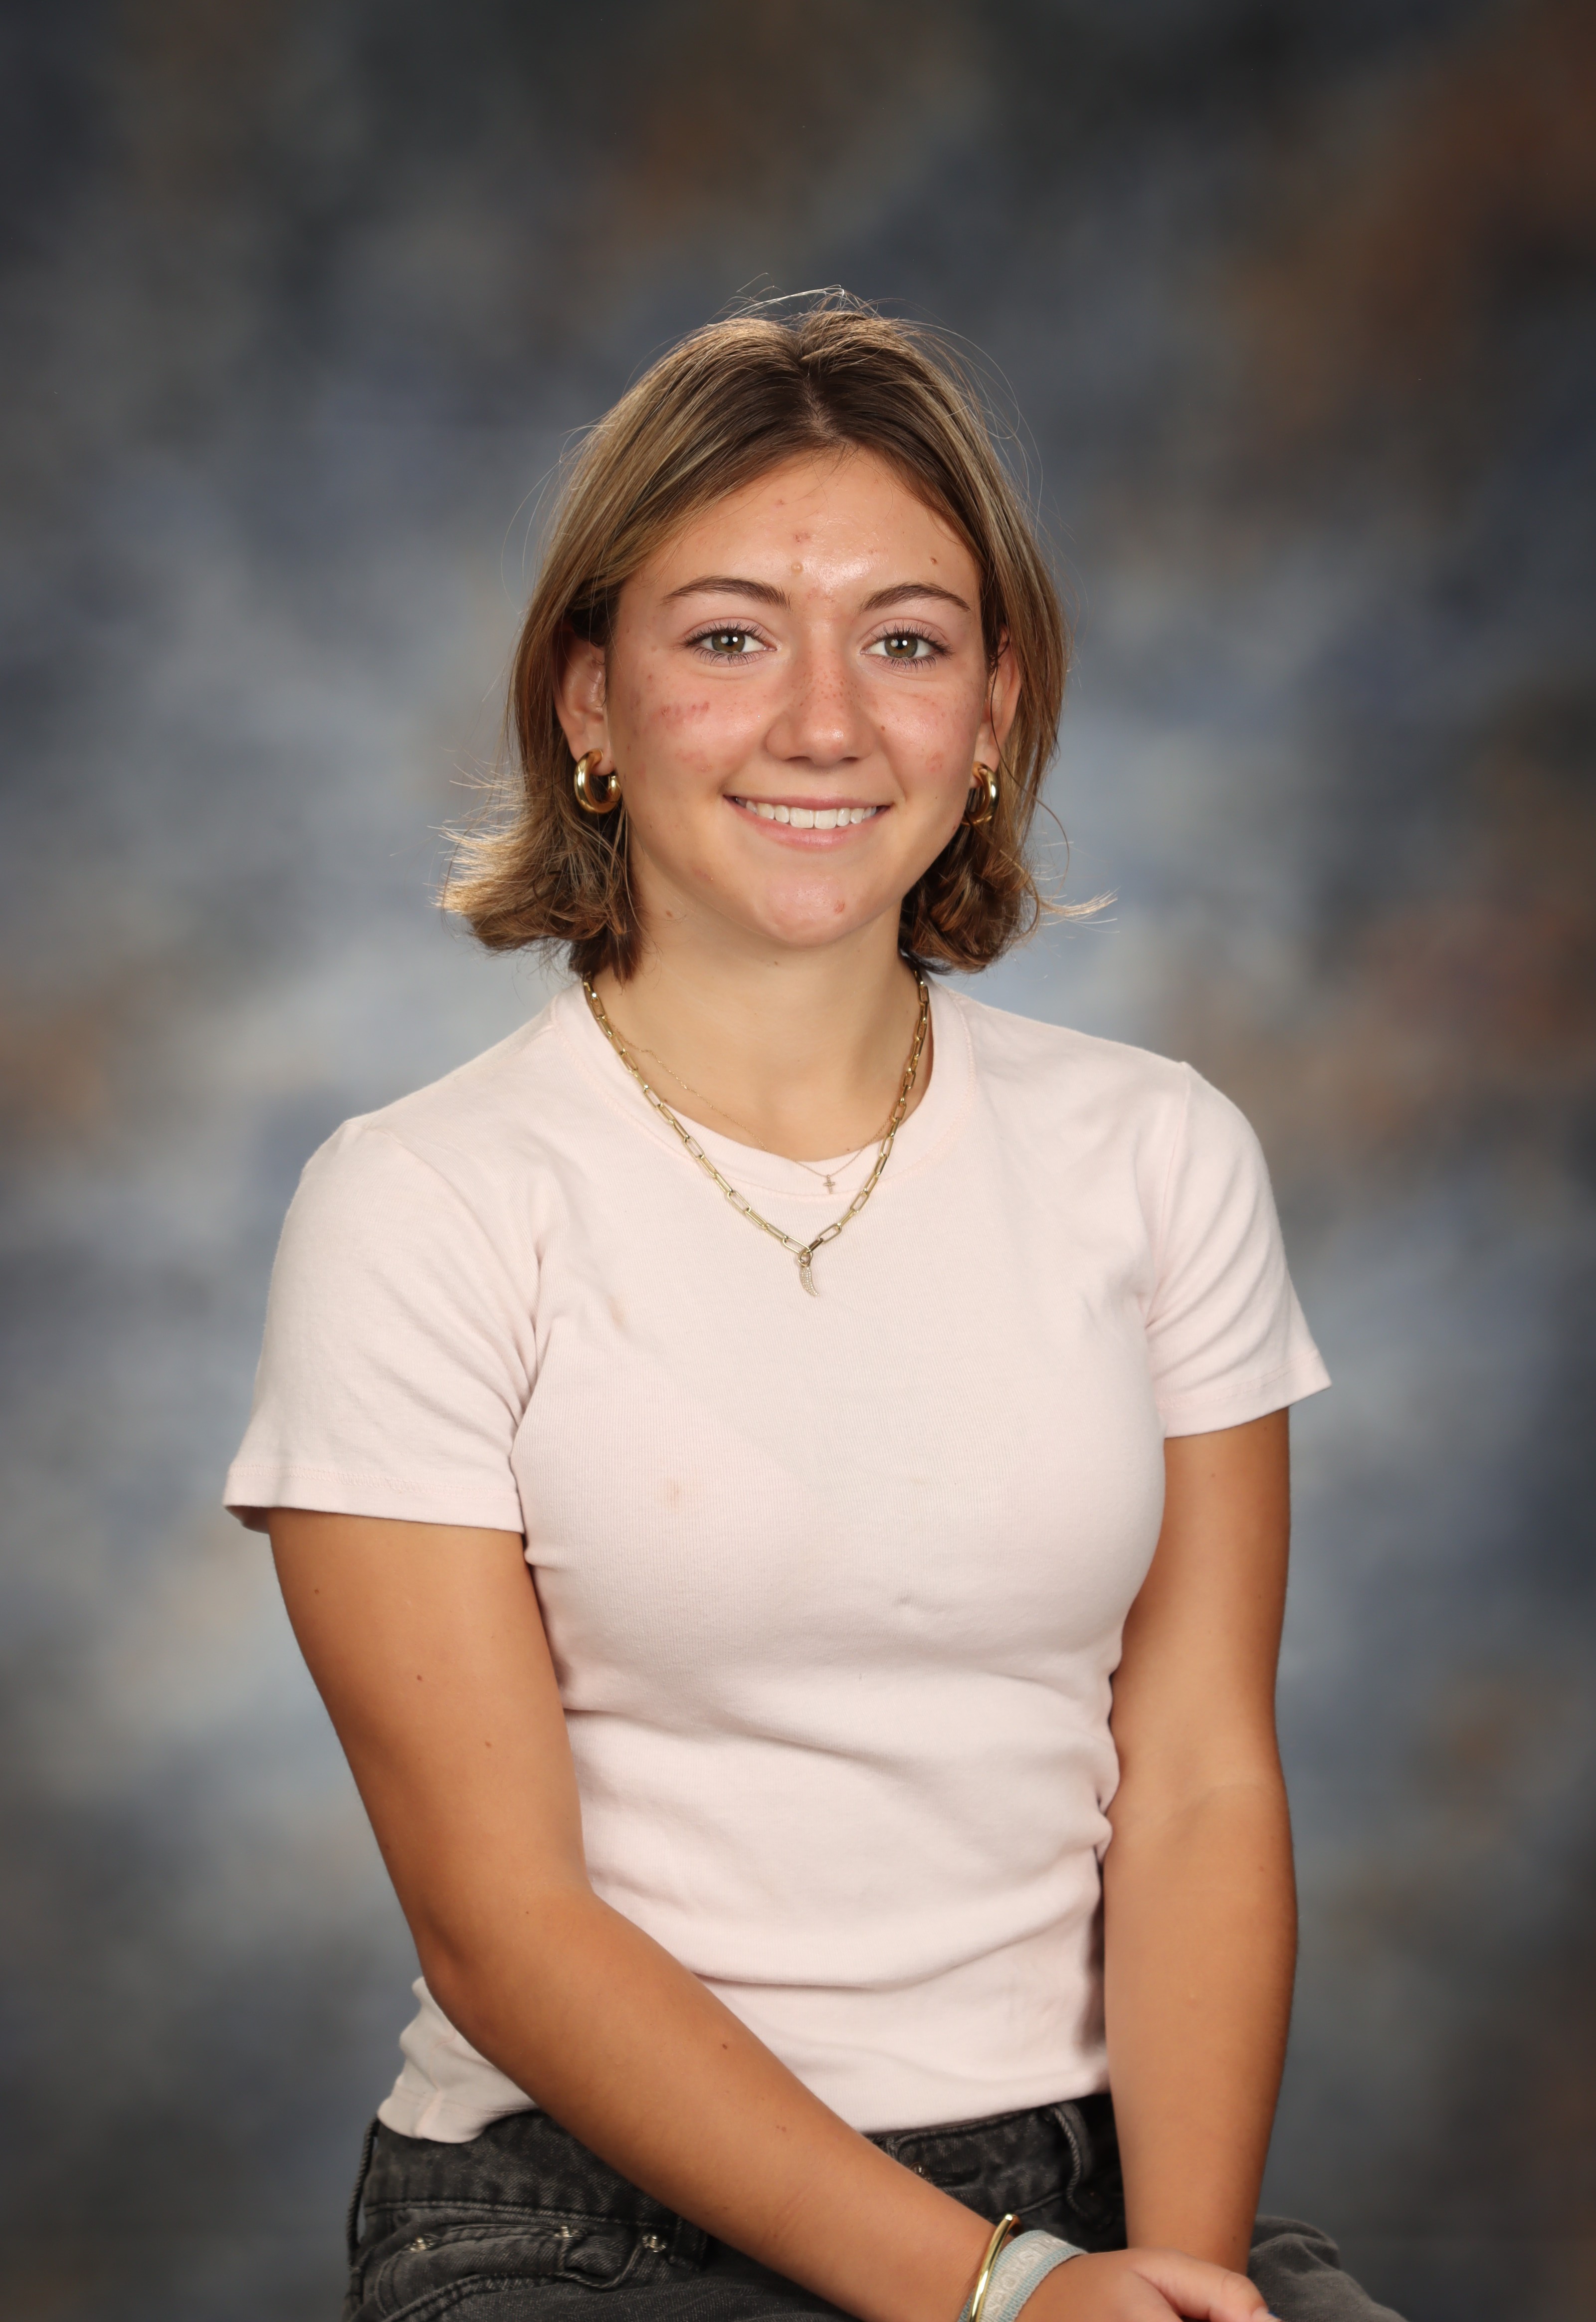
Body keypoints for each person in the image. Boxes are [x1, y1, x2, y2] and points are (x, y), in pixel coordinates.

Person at [226, 299, 1399, 2322]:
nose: (825, 723)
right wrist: (1001, 2299)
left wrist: (1172, 2277)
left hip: (1102, 2185)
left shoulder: (1157, 1151)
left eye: (906, 642)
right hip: (585, 2221)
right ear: (589, 701)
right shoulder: (419, 1206)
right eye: (728, 636)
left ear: (995, 709)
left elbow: (1203, 1772)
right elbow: (503, 1928)